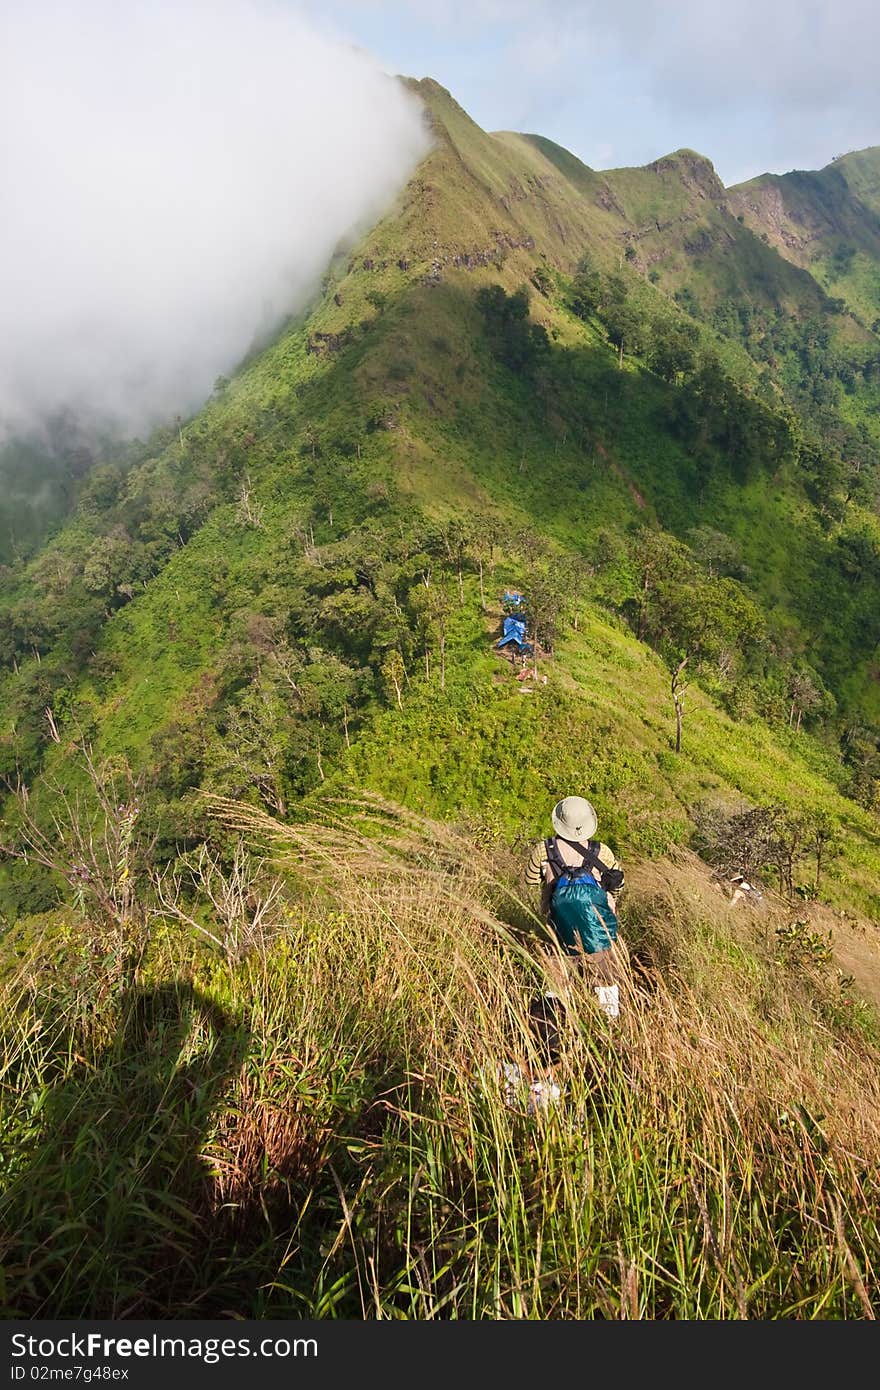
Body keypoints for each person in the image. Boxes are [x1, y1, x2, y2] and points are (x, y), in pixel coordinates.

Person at [525, 795, 625, 1019]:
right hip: (596, 929)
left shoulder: (544, 850)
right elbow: (619, 883)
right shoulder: (602, 852)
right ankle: (609, 1028)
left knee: (556, 984)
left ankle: (554, 1029)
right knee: (606, 982)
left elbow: (530, 881)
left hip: (558, 927)